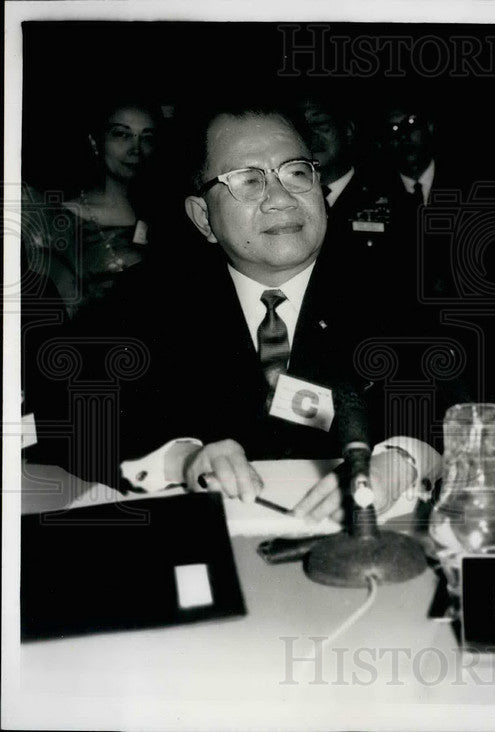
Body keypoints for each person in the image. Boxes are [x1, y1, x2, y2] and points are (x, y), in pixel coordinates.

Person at [36, 102, 435, 521]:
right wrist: (181, 460)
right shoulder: (152, 298)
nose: (280, 198)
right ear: (203, 218)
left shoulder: (393, 287)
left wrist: (404, 458)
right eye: (248, 180)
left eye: (296, 173)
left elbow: (453, 399)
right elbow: (67, 408)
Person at [23, 101, 161, 316]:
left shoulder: (168, 212)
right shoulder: (61, 219)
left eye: (147, 137)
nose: (136, 149)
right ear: (95, 142)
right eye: (121, 134)